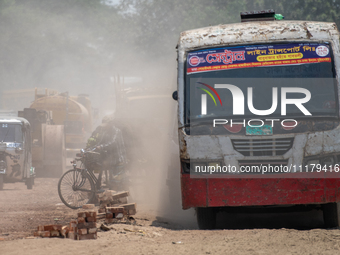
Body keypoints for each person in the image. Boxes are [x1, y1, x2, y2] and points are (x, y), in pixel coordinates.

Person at [86, 115, 127, 189]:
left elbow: (113, 142)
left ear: (111, 124)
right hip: (111, 160)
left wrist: (101, 147)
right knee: (113, 183)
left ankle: (123, 197)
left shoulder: (117, 132)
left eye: (106, 125)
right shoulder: (106, 132)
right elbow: (101, 142)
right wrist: (91, 149)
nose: (105, 127)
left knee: (117, 183)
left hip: (118, 159)